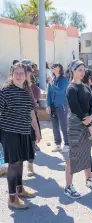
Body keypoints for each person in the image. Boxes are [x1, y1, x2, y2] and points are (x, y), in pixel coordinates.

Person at [0, 62, 41, 209]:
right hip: (9, 133)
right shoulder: (4, 91)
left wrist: (36, 130)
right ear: (11, 75)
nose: (19, 76)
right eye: (16, 73)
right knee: (14, 163)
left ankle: (19, 189)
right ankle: (12, 199)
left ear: (26, 76)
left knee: (21, 161)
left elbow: (31, 113)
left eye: (21, 73)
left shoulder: (26, 92)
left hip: (24, 132)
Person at [64, 60, 92, 199]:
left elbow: (91, 104)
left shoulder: (85, 87)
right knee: (73, 156)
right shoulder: (71, 88)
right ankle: (68, 187)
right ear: (73, 71)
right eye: (79, 70)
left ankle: (89, 179)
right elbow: (75, 107)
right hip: (76, 124)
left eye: (83, 70)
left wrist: (91, 117)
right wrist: (86, 120)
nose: (82, 73)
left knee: (86, 151)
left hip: (87, 122)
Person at [46, 63, 69, 153]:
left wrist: (52, 84)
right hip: (53, 106)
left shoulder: (64, 80)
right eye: (53, 67)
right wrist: (48, 105)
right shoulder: (52, 80)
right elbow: (49, 94)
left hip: (61, 105)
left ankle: (67, 144)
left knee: (64, 125)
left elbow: (60, 91)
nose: (53, 68)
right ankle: (57, 144)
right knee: (55, 126)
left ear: (60, 68)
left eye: (55, 66)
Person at [25, 66, 42, 177]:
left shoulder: (33, 87)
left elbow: (36, 102)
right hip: (18, 120)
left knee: (31, 142)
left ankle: (30, 165)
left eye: (27, 72)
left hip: (30, 116)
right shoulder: (15, 87)